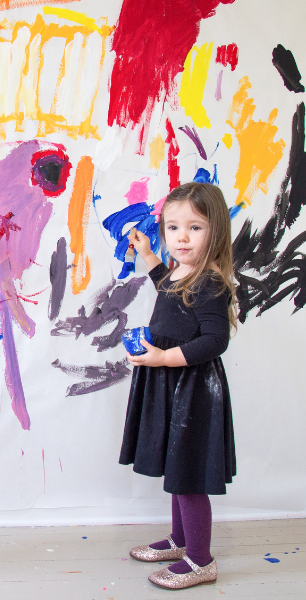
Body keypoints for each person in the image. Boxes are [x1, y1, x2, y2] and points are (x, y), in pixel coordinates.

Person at [120, 182, 237, 590]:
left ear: (216, 232)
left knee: (187, 473)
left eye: (195, 228)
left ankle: (201, 560)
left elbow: (215, 340)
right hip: (171, 385)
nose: (181, 237)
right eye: (172, 228)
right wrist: (150, 256)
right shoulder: (182, 272)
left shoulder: (212, 282)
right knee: (176, 463)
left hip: (193, 388)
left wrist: (164, 358)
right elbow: (167, 288)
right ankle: (180, 540)